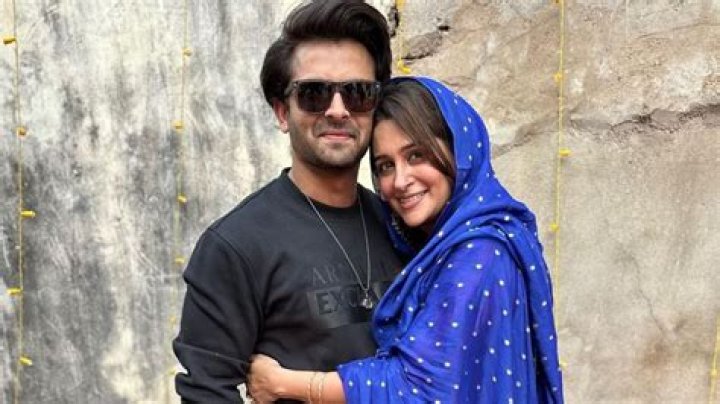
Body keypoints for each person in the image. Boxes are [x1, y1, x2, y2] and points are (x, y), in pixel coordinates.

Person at [247, 77, 565, 403]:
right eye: (385, 165)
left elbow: (419, 386)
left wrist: (283, 383)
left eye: (415, 156)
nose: (400, 181)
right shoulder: (443, 242)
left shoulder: (478, 253)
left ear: (459, 151)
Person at [172, 1, 404, 402]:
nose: (337, 110)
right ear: (282, 112)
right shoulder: (235, 245)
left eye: (358, 93)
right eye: (314, 93)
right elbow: (206, 391)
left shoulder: (401, 225)